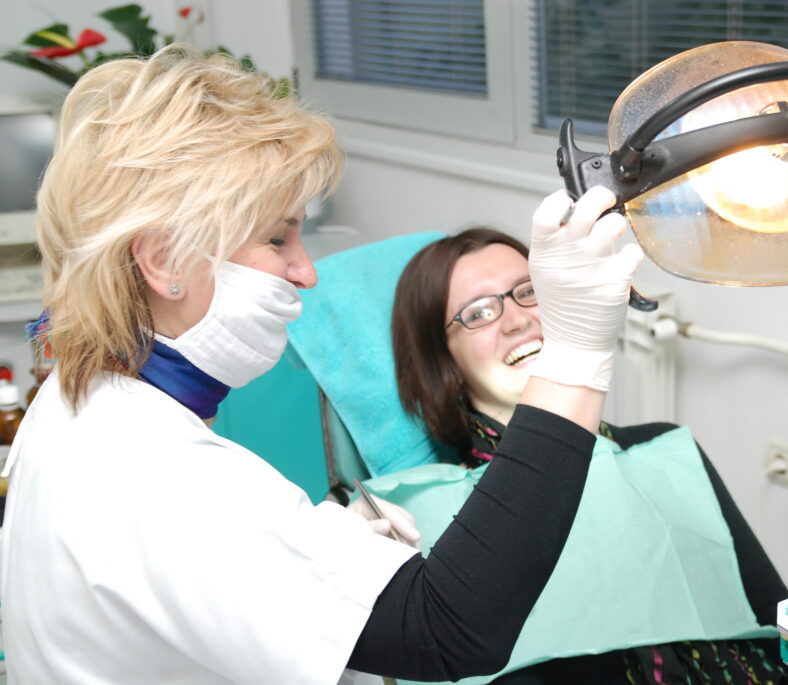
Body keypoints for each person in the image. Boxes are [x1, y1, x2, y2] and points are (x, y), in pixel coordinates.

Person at [0, 45, 644, 684]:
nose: (307, 273)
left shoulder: (71, 401)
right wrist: (577, 352)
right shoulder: (157, 472)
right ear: (164, 261)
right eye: (277, 237)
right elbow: (450, 631)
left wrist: (314, 554)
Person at [392, 227, 788, 685]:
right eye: (478, 313)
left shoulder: (664, 451)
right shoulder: (430, 518)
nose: (516, 320)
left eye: (529, 292)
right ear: (443, 360)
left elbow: (782, 634)